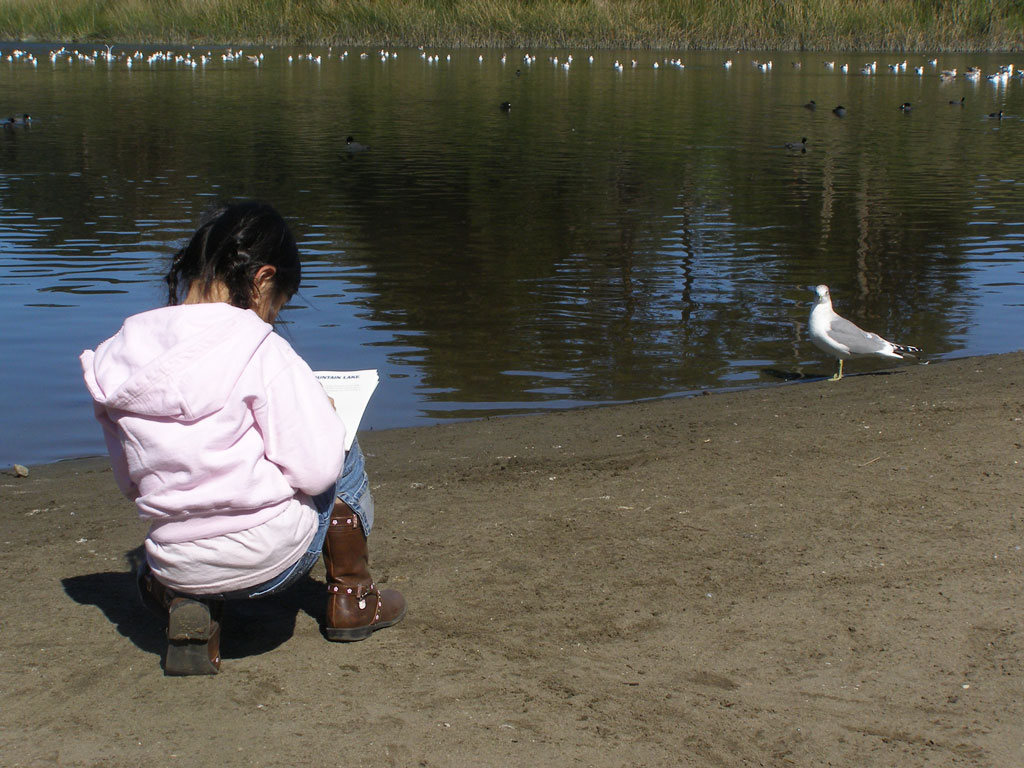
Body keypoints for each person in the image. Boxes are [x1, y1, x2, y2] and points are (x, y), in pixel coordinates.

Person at [80, 200, 405, 676]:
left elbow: (132, 484)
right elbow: (317, 473)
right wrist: (324, 418)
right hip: (269, 562)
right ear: (262, 280)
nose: (274, 317)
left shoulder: (117, 358)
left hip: (173, 565)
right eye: (280, 302)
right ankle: (353, 598)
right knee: (340, 444)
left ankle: (192, 604)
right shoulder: (261, 349)